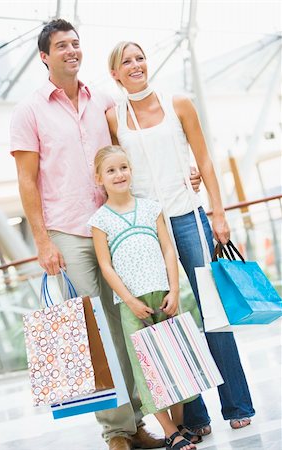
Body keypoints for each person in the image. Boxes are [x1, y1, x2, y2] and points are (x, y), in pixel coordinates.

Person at [9, 20, 200, 450]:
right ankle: (116, 431)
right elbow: (25, 180)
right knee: (94, 328)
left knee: (128, 325)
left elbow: (134, 148)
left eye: (76, 44)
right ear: (45, 56)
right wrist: (42, 240)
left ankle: (137, 423)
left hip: (116, 227)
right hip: (70, 230)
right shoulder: (29, 111)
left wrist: (182, 167)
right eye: (62, 46)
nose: (72, 51)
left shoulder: (104, 101)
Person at [106, 41, 255, 436]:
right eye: (127, 62)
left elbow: (204, 158)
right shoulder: (113, 117)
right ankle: (195, 416)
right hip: (148, 230)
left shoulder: (178, 103)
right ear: (115, 74)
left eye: (140, 58)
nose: (136, 65)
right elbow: (114, 167)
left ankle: (237, 404)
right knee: (168, 320)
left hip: (189, 218)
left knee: (213, 315)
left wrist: (217, 211)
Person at [88, 144, 197, 450]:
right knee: (147, 368)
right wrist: (131, 301)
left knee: (176, 362)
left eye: (123, 167)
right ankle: (170, 433)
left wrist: (174, 290)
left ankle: (179, 426)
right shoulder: (100, 221)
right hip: (131, 305)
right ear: (99, 178)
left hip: (164, 296)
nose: (119, 174)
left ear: (132, 171)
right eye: (111, 170)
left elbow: (167, 248)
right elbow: (106, 267)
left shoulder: (151, 208)